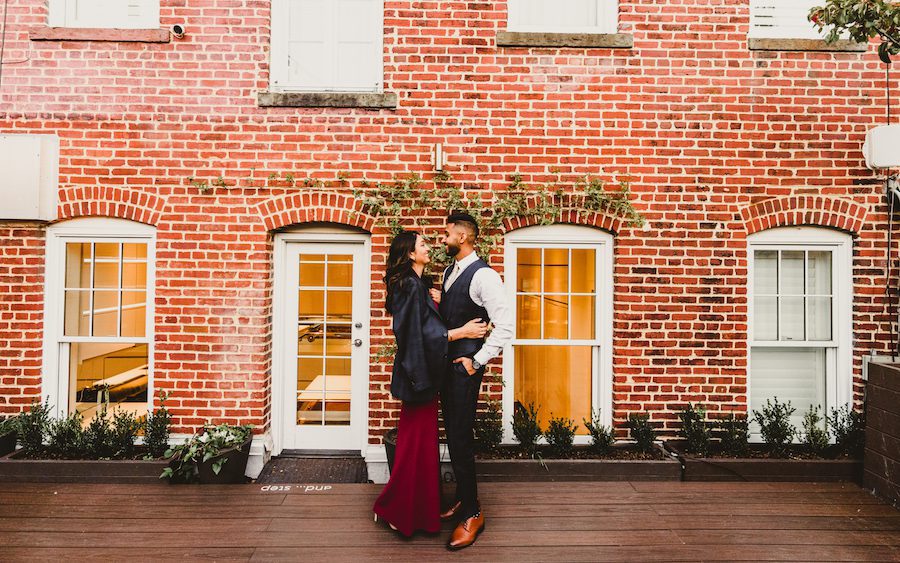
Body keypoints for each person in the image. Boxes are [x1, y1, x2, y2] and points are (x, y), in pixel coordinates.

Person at [372, 230, 489, 537]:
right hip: (418, 379)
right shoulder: (408, 286)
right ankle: (397, 510)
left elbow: (426, 321)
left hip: (426, 379)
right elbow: (415, 335)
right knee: (415, 447)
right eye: (422, 244)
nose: (429, 247)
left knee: (422, 448)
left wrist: (437, 299)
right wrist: (460, 332)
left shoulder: (419, 286)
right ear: (410, 254)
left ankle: (416, 510)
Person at [438, 212, 513, 550]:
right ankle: (462, 497)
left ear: (464, 236)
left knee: (461, 437)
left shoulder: (485, 276)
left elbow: (505, 327)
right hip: (446, 366)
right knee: (452, 434)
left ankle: (473, 513)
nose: (443, 238)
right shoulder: (448, 273)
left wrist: (477, 361)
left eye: (448, 233)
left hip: (464, 369)